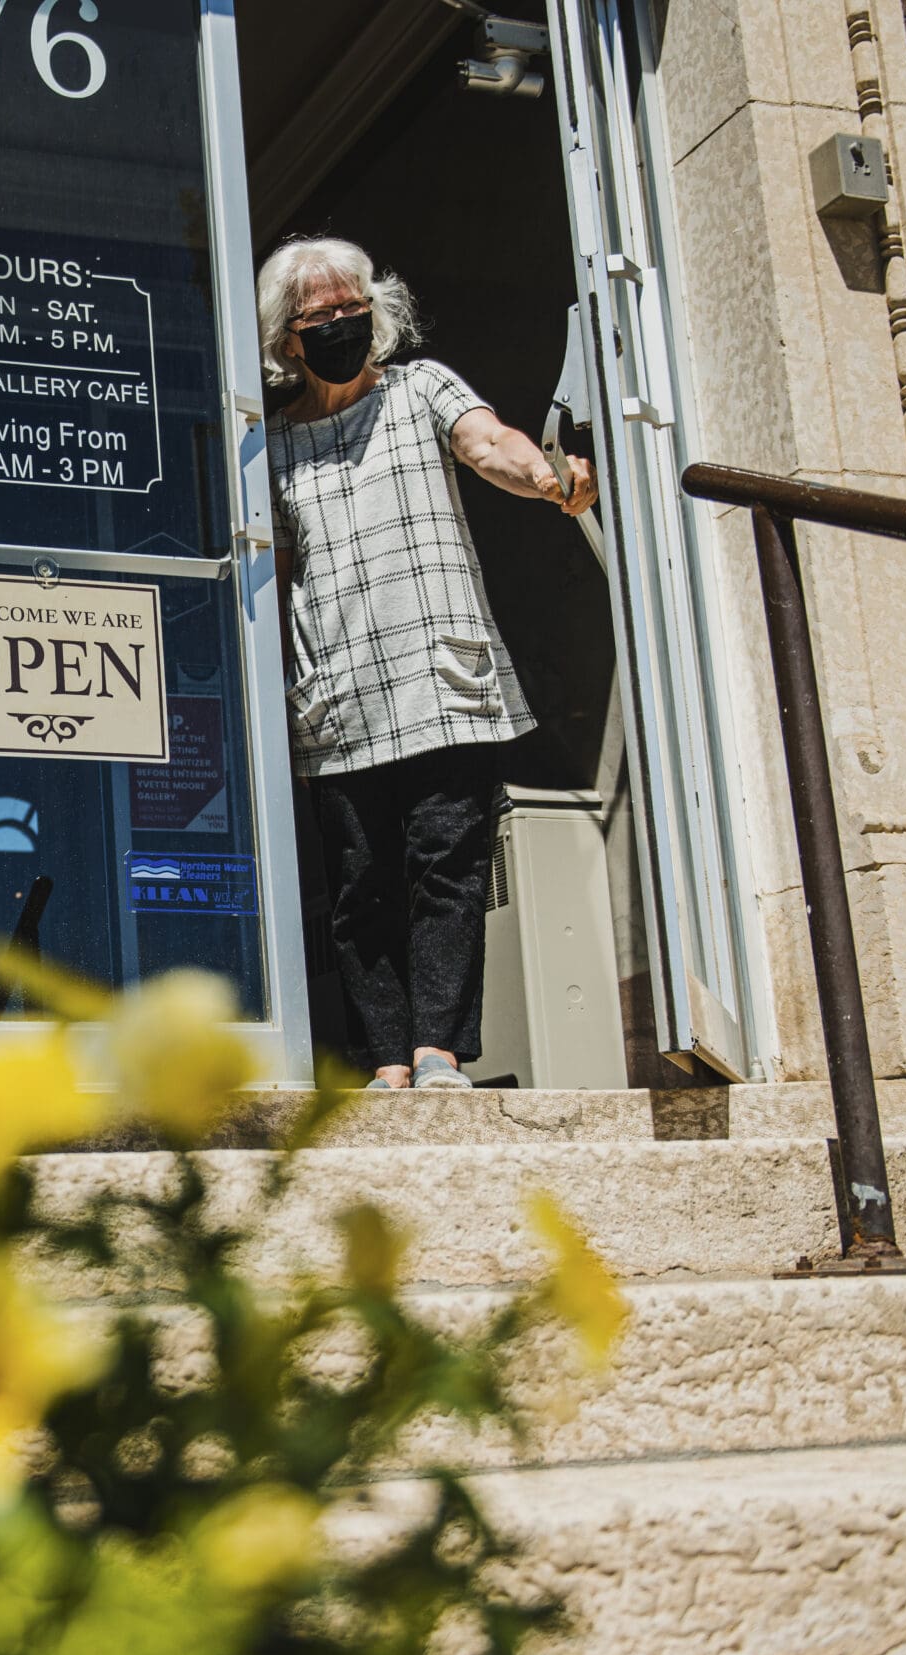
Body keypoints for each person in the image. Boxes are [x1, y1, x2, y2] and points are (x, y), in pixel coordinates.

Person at [258, 236, 596, 1091]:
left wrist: (551, 476)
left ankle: (440, 1049)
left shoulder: (421, 389)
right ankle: (386, 1058)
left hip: (442, 674)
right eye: (319, 317)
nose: (341, 325)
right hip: (337, 684)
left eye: (352, 310)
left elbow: (492, 446)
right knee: (359, 886)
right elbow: (277, 572)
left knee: (447, 862)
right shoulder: (274, 445)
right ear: (287, 340)